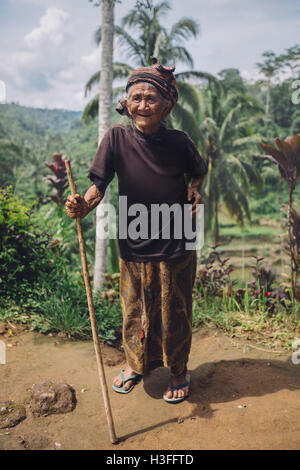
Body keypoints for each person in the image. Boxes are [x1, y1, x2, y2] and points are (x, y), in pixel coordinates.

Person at [65, 57, 207, 403]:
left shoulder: (179, 142)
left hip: (177, 239)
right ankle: (135, 364)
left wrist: (195, 186)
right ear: (127, 104)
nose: (143, 104)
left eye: (151, 98)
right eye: (136, 97)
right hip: (134, 240)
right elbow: (99, 185)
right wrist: (83, 206)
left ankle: (177, 370)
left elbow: (198, 169)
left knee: (174, 309)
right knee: (134, 309)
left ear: (166, 105)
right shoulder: (115, 138)